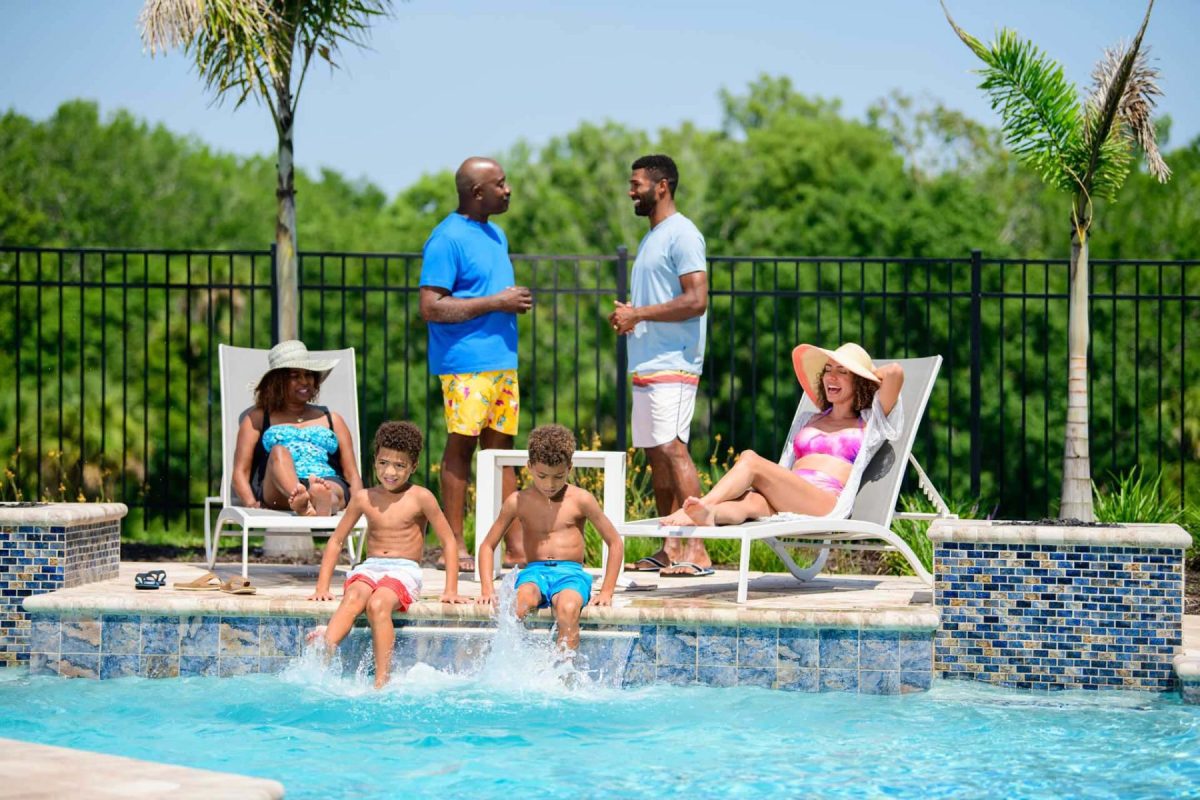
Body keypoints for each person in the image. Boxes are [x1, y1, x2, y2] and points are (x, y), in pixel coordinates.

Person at [419, 156, 531, 573]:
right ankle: (455, 546)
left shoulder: (496, 234)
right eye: (500, 184)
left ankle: (516, 550)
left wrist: (506, 304)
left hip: (502, 361)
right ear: (477, 193)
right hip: (465, 364)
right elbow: (430, 307)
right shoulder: (446, 239)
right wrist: (497, 302)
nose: (508, 190)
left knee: (501, 453)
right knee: (461, 448)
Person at [661, 343, 904, 528]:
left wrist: (865, 371)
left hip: (824, 502)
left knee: (750, 460)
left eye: (842, 372)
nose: (831, 376)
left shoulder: (870, 422)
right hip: (788, 494)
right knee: (749, 503)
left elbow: (894, 372)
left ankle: (706, 502)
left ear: (859, 380)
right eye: (828, 369)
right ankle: (709, 514)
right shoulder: (809, 419)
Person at [609, 154, 713, 578]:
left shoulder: (683, 234)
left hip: (676, 362)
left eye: (636, 184)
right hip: (648, 362)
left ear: (662, 186)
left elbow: (696, 300)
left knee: (674, 448)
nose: (631, 191)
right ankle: (671, 547)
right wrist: (634, 315)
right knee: (657, 456)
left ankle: (700, 548)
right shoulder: (653, 236)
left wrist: (641, 314)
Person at [308, 421, 466, 688]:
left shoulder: (421, 497)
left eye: (399, 466)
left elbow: (449, 541)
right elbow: (336, 541)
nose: (389, 472)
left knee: (378, 605)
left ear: (413, 466)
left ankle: (382, 679)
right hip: (371, 567)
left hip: (403, 570)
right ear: (375, 461)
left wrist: (451, 589)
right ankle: (327, 646)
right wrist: (322, 587)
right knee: (354, 596)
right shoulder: (363, 497)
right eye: (383, 463)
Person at [476, 424, 624, 651]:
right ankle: (516, 665)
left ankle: (563, 673)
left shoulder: (580, 499)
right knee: (517, 606)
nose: (550, 484)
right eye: (542, 475)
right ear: (529, 466)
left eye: (559, 476)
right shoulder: (518, 501)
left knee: (567, 608)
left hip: (570, 575)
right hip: (534, 573)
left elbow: (614, 542)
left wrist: (606, 591)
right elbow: (487, 545)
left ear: (570, 468)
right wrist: (487, 589)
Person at [231, 339, 362, 516]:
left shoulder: (332, 419)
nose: (304, 381)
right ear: (278, 382)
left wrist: (358, 505)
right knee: (278, 451)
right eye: (295, 376)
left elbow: (351, 472)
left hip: (326, 480)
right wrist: (251, 503)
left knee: (328, 490)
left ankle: (320, 502)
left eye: (308, 375)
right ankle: (304, 499)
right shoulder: (257, 418)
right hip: (279, 488)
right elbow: (240, 472)